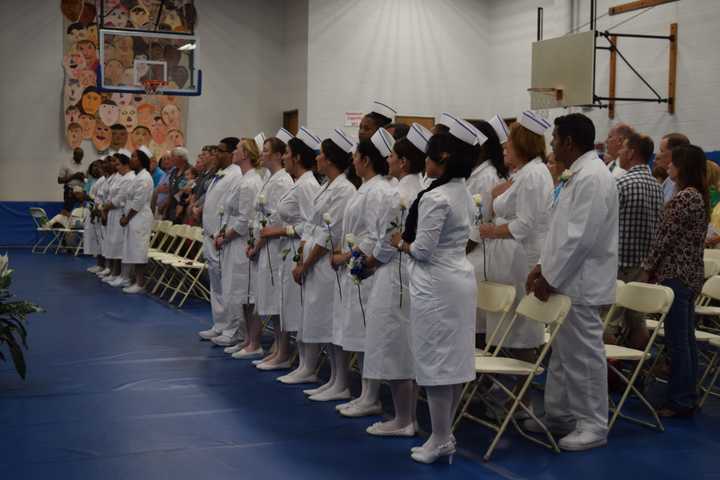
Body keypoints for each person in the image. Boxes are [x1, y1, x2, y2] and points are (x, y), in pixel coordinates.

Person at [525, 113, 618, 451]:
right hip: (565, 278)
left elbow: (580, 239)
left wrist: (550, 277)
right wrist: (540, 266)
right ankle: (561, 415)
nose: (551, 144)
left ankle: (593, 424)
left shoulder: (592, 178)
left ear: (568, 142)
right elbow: (557, 230)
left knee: (584, 356)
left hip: (580, 282)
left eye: (554, 139)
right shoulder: (574, 175)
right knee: (563, 355)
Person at [391, 117, 477, 465]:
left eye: (428, 154)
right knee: (452, 361)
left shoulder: (438, 196)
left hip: (436, 284)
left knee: (437, 361)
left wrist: (400, 242)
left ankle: (440, 437)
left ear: (442, 157)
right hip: (458, 280)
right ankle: (443, 434)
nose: (423, 159)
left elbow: (422, 250)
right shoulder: (461, 191)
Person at [362, 123, 427, 436]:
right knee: (404, 343)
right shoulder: (423, 189)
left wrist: (369, 263)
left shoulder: (398, 194)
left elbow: (387, 240)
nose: (385, 159)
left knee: (394, 344)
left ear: (404, 162)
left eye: (391, 156)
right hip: (412, 272)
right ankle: (406, 416)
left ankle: (404, 419)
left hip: (393, 274)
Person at [324, 128, 394, 416]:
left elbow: (375, 235)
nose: (352, 161)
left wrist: (346, 256)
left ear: (365, 159)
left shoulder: (378, 190)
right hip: (355, 266)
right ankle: (361, 391)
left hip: (365, 268)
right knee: (354, 328)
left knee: (366, 332)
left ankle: (371, 394)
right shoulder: (367, 187)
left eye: (355, 157)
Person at [280, 127, 356, 385]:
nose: (317, 158)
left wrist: (307, 262)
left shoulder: (344, 190)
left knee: (327, 322)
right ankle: (311, 368)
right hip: (311, 260)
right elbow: (311, 226)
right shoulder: (328, 186)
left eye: (321, 154)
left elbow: (329, 235)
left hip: (324, 265)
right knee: (311, 317)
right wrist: (300, 258)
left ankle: (339, 381)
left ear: (331, 159)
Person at [641, 144, 709, 417]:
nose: (668, 166)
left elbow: (663, 239)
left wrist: (647, 268)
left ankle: (680, 399)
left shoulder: (684, 198)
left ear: (683, 167)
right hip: (689, 274)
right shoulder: (697, 196)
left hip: (676, 275)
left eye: (673, 162)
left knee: (678, 340)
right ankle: (687, 394)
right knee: (686, 339)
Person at [478, 112, 553, 360]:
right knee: (505, 330)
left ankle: (521, 397)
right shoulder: (523, 173)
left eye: (509, 142)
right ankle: (505, 390)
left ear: (522, 144)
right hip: (507, 258)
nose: (504, 147)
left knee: (520, 333)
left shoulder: (533, 174)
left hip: (521, 258)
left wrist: (490, 231)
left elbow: (524, 225)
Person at [257, 129, 321, 370]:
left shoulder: (306, 186)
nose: (283, 158)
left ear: (297, 158)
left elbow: (309, 225)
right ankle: (282, 352)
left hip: (296, 248)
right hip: (288, 250)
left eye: (287, 154)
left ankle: (293, 358)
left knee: (295, 308)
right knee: (285, 304)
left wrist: (281, 231)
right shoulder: (299, 183)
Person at [607, 133, 663, 348]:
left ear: (631, 153)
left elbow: (606, 223)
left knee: (606, 323)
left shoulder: (621, 183)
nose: (620, 152)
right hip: (643, 266)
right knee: (637, 321)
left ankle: (613, 374)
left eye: (623, 149)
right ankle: (637, 372)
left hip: (619, 264)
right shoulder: (657, 186)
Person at [245, 137, 294, 363]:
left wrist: (257, 245)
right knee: (267, 298)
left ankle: (281, 351)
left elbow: (273, 221)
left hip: (273, 247)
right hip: (264, 247)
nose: (261, 154)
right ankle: (276, 348)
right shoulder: (270, 179)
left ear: (277, 155)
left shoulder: (282, 182)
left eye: (265, 151)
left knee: (275, 301)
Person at [465, 116, 509, 344]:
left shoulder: (487, 176)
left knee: (477, 325)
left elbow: (479, 224)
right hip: (469, 256)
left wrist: (457, 252)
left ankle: (480, 375)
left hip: (476, 256)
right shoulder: (474, 173)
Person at [196, 138, 244, 343]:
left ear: (232, 153)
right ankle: (220, 323)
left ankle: (233, 328)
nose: (216, 155)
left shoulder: (236, 175)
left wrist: (222, 234)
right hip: (210, 235)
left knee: (227, 285)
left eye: (220, 151)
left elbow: (233, 210)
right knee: (216, 284)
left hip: (222, 238)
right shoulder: (219, 175)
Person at [221, 138, 265, 356]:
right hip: (235, 242)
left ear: (246, 154)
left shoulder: (250, 182)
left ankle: (254, 343)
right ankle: (248, 339)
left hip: (241, 242)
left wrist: (225, 236)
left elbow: (245, 219)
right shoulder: (244, 179)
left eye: (237, 149)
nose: (234, 152)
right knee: (242, 295)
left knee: (249, 295)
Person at [120, 146, 155, 294]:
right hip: (133, 218)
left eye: (134, 157)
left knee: (139, 250)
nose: (131, 159)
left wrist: (127, 217)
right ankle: (134, 280)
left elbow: (138, 202)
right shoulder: (137, 176)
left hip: (139, 218)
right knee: (133, 250)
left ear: (142, 160)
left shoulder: (145, 178)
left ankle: (140, 283)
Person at [102, 151, 136, 288]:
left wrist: (105, 206)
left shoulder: (129, 178)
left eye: (118, 165)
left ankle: (124, 275)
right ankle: (116, 273)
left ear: (125, 164)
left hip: (119, 212)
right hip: (113, 213)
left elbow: (120, 199)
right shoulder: (122, 177)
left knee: (120, 246)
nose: (116, 168)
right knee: (114, 244)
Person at [84, 160, 107, 273]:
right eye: (94, 166)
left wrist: (90, 199)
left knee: (102, 240)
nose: (96, 169)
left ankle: (104, 265)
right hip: (95, 210)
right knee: (97, 239)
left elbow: (98, 198)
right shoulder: (97, 180)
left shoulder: (104, 180)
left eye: (98, 166)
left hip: (100, 212)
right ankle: (99, 264)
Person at [655, 133, 690, 202]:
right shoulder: (669, 180)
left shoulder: (685, 183)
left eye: (662, 151)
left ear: (675, 153)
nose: (658, 155)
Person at [164, 147, 191, 223]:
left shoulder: (190, 171)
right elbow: (170, 190)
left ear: (181, 158)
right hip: (171, 207)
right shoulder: (174, 171)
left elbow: (188, 192)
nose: (171, 158)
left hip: (182, 208)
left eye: (173, 156)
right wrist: (166, 206)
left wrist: (181, 204)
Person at [58, 147, 86, 216]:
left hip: (81, 192)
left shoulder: (84, 166)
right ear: (74, 154)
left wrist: (83, 178)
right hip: (70, 191)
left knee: (80, 212)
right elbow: (59, 180)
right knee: (67, 211)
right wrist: (73, 176)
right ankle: (65, 224)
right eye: (78, 155)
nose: (80, 158)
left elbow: (87, 180)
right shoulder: (66, 164)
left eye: (81, 156)